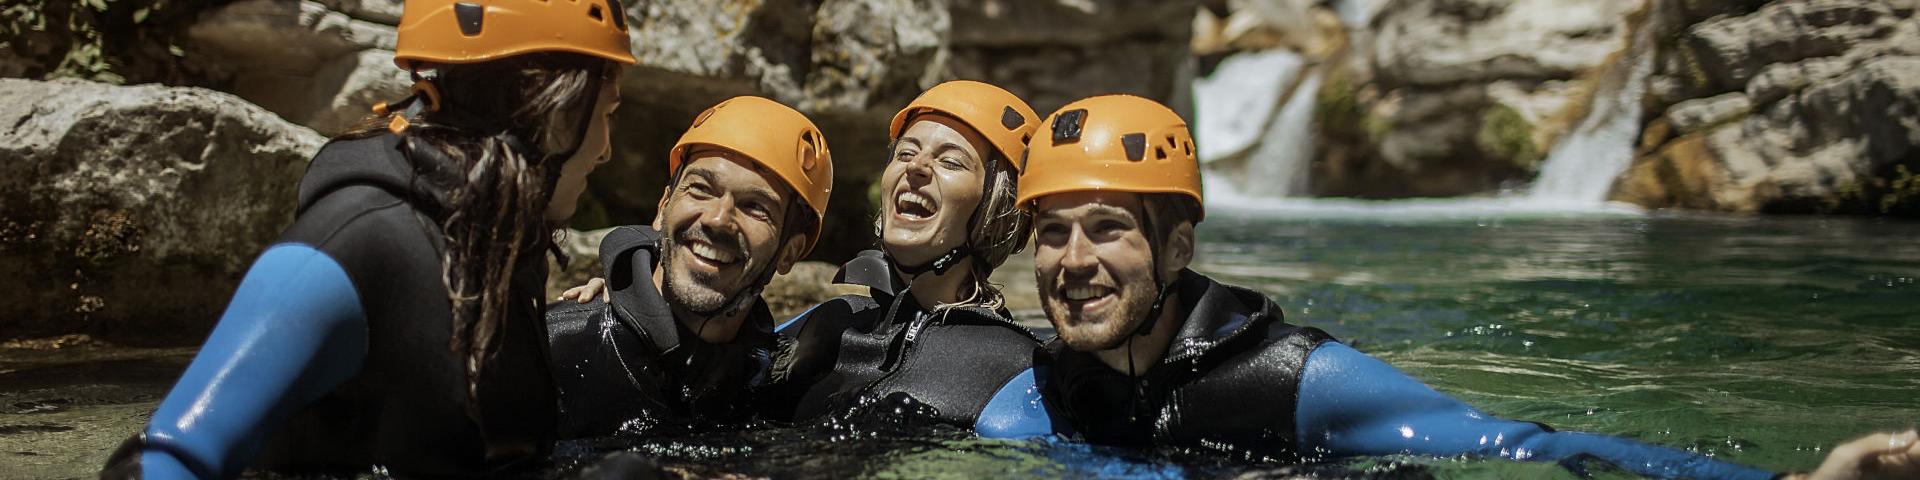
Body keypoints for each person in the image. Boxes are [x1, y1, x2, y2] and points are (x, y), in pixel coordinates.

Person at [1016, 94, 1920, 480]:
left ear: (1176, 248)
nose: (1072, 260)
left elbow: (1535, 445)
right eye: (1051, 233)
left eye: (1107, 228)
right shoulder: (1051, 387)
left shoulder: (1293, 379)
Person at [100, 0, 636, 477]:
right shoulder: (356, 244)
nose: (608, 148)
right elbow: (162, 461)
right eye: (607, 113)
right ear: (549, 108)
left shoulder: (501, 246)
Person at [747, 81, 1055, 438]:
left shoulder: (1016, 369)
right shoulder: (829, 321)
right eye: (905, 154)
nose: (917, 167)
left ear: (997, 208)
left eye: (951, 161)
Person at [546, 96, 833, 438]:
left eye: (756, 208)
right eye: (700, 189)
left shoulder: (772, 382)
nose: (718, 219)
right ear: (663, 206)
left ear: (789, 253)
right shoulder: (559, 348)